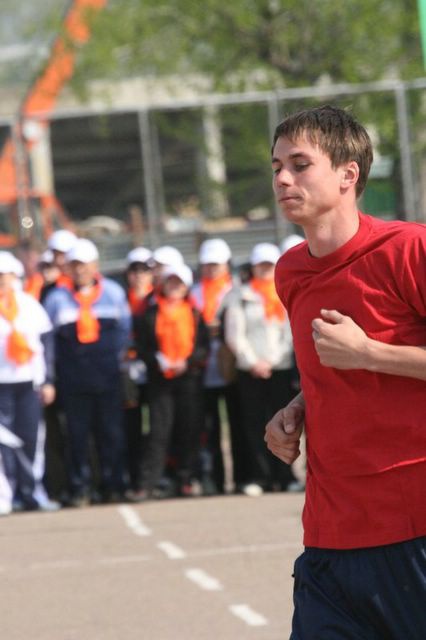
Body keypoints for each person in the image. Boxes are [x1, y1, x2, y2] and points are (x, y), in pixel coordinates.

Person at [264, 104, 426, 639]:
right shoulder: (290, 271)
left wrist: (371, 353)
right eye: (277, 167)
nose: (283, 179)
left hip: (413, 529)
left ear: (347, 174)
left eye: (300, 164)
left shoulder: (409, 250)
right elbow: (331, 371)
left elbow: (359, 357)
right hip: (330, 537)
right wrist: (295, 409)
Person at [44, 239, 131, 506]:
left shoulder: (113, 293)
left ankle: (113, 484)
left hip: (108, 377)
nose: (80, 270)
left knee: (111, 433)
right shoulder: (57, 298)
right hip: (73, 379)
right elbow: (49, 342)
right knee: (77, 436)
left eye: (84, 264)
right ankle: (80, 487)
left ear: (95, 265)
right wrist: (51, 377)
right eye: (74, 265)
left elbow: (125, 333)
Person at [225, 242, 299, 496]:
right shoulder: (241, 295)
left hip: (279, 367)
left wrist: (273, 360)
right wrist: (253, 362)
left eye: (270, 264)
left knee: (285, 422)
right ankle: (260, 475)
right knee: (254, 423)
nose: (265, 269)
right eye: (261, 265)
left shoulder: (285, 292)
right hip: (251, 370)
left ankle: (285, 475)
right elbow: (235, 335)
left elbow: (290, 332)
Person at [135, 263, 209, 499]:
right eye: (171, 282)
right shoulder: (150, 312)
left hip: (188, 378)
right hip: (160, 379)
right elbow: (142, 346)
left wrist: (187, 362)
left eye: (179, 283)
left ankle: (187, 478)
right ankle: (148, 482)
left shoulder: (195, 312)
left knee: (189, 429)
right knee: (159, 431)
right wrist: (158, 360)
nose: (175, 287)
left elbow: (203, 346)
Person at [0, 252, 58, 515]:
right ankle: (6, 495)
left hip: (28, 383)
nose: (3, 281)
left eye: (6, 276)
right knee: (3, 442)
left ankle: (33, 492)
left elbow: (46, 345)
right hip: (1, 384)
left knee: (31, 439)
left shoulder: (29, 305)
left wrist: (47, 381)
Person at [191, 238, 246, 495]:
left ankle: (242, 477)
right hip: (204, 367)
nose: (212, 268)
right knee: (208, 426)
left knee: (238, 422)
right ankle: (213, 479)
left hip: (233, 364)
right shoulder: (194, 292)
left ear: (227, 264)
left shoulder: (237, 289)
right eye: (207, 264)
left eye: (217, 264)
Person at [122, 247, 153, 499]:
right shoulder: (120, 299)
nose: (139, 275)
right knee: (131, 426)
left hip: (154, 370)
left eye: (144, 270)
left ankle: (155, 477)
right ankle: (134, 478)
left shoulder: (158, 299)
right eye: (135, 270)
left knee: (157, 426)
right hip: (128, 372)